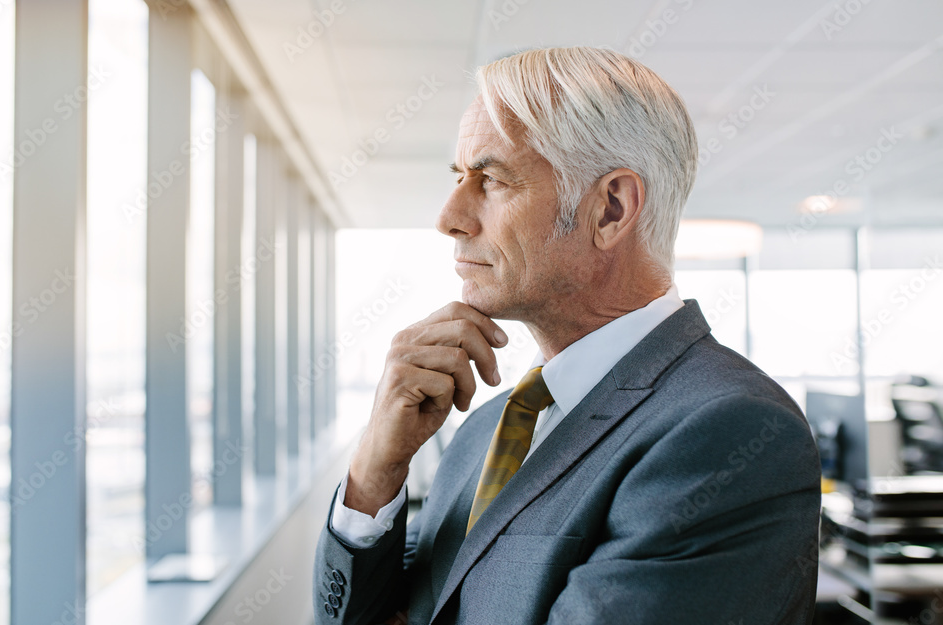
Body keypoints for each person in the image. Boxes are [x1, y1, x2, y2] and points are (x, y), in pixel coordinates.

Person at [313, 46, 821, 625]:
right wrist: (374, 473)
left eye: (492, 179)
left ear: (609, 209)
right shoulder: (484, 427)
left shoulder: (729, 431)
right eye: (459, 177)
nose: (449, 216)